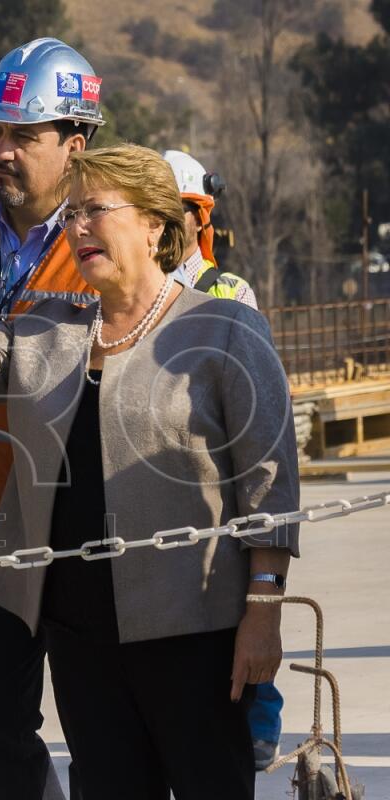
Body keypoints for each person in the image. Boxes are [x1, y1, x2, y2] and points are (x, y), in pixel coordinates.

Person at [0, 143, 299, 799]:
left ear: (154, 224)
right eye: (72, 214)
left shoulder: (224, 329)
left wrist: (263, 615)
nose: (77, 228)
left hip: (193, 636)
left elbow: (269, 490)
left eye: (96, 211)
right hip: (80, 641)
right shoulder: (49, 331)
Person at [0, 37, 102, 799]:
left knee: (107, 732)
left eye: (22, 135)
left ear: (73, 145)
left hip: (82, 537)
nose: (0, 151)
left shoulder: (111, 238)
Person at [162, 149, 283, 768]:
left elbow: (253, 400)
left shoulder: (227, 291)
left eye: (177, 212)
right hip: (162, 479)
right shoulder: (133, 294)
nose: (165, 225)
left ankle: (258, 719)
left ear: (197, 215)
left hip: (222, 478)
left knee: (239, 610)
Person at [163, 150, 258, 308]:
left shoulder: (236, 294)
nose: (164, 220)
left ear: (200, 219)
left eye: (175, 211)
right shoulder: (132, 287)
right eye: (156, 212)